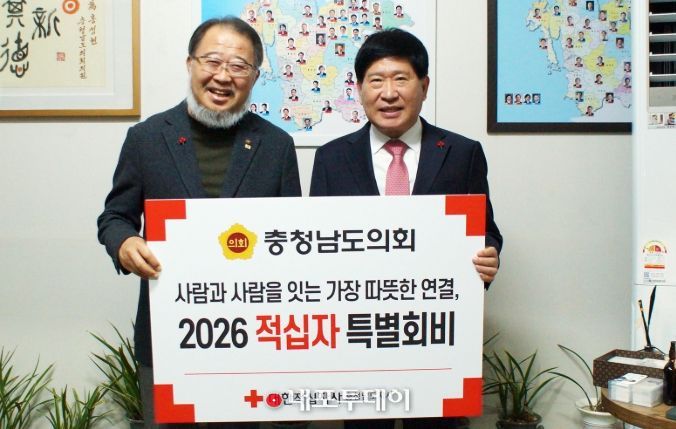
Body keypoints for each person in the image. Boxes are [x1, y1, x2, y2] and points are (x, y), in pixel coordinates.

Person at [97, 16, 301, 429]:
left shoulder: (277, 145)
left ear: (254, 77)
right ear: (190, 64)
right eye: (212, 61)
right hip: (167, 330)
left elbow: (293, 235)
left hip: (253, 335)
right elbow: (115, 215)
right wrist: (125, 243)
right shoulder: (147, 138)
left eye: (239, 66)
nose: (223, 76)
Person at [309, 30, 502, 429]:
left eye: (401, 79)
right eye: (376, 81)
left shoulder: (462, 153)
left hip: (435, 334)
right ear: (359, 89)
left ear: (424, 86)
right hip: (359, 336)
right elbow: (317, 243)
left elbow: (486, 231)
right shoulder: (331, 158)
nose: (388, 93)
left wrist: (489, 254)